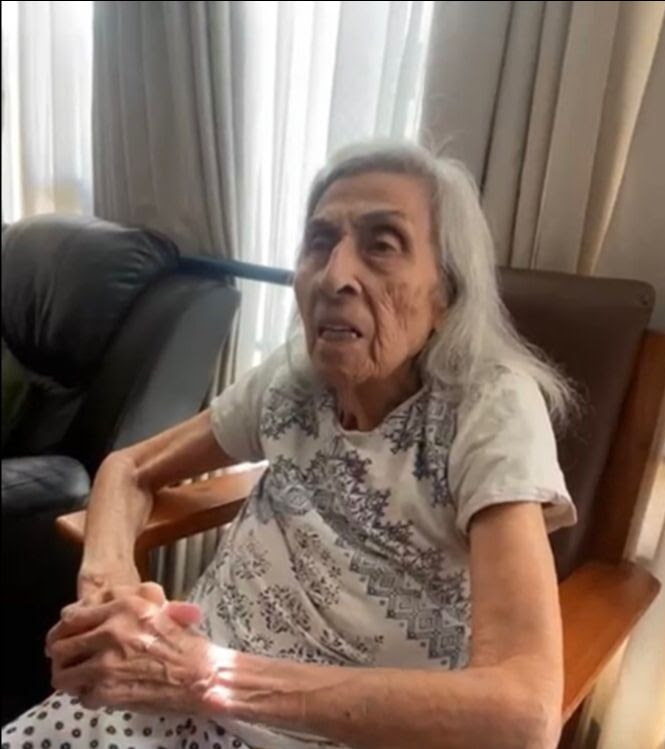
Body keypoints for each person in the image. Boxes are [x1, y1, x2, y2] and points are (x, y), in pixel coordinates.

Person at [2, 141, 576, 749]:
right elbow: (130, 467)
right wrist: (113, 602)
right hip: (170, 693)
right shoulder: (296, 374)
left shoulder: (490, 406)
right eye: (320, 242)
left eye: (382, 245)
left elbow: (523, 715)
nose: (335, 275)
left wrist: (207, 678)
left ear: (447, 294)